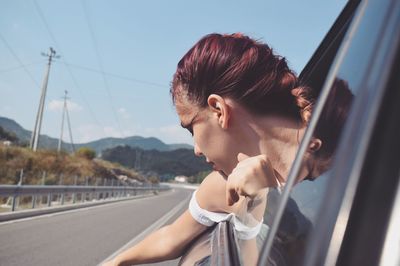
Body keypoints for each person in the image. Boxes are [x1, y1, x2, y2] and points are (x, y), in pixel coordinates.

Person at [102, 33, 323, 266]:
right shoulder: (223, 186)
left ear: (219, 110)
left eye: (191, 128)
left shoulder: (331, 163)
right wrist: (116, 262)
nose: (196, 149)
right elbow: (171, 237)